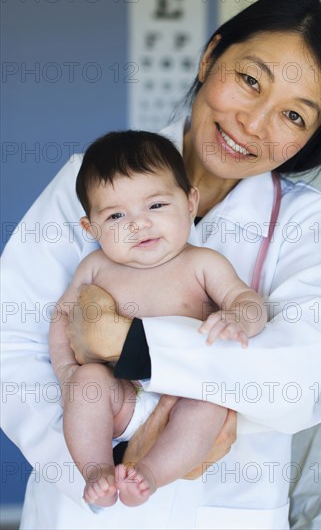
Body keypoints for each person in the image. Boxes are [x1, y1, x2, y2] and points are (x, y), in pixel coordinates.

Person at [1, 0, 321, 530]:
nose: (254, 124)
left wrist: (127, 342)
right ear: (211, 55)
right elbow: (13, 339)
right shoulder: (93, 180)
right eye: (249, 80)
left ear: (311, 139)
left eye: (292, 115)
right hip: (80, 508)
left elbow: (299, 377)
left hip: (225, 510)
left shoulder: (304, 221)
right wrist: (89, 467)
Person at [49, 130, 267, 508]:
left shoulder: (202, 264)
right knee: (88, 381)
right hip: (122, 398)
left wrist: (238, 318)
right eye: (116, 215)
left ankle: (149, 474)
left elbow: (247, 300)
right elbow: (62, 317)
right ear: (91, 228)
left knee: (210, 400)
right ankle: (97, 470)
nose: (138, 224)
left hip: (184, 396)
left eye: (156, 206)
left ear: (189, 202)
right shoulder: (95, 266)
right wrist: (67, 369)